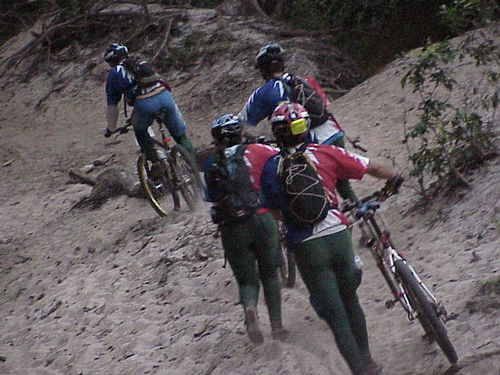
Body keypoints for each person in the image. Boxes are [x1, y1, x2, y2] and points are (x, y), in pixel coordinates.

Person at [259, 102, 403, 375]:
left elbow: (274, 211)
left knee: (337, 319)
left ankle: (361, 371)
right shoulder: (324, 152)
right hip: (338, 235)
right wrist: (395, 176)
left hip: (306, 246)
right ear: (305, 128)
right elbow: (371, 167)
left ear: (277, 133)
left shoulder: (271, 168)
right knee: (351, 301)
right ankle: (369, 361)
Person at [203, 114, 286, 344]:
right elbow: (281, 160)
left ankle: (250, 308)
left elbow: (211, 198)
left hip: (232, 227)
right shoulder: (257, 151)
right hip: (261, 218)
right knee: (270, 274)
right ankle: (277, 327)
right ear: (240, 133)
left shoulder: (211, 164)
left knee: (247, 281)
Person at [238, 43, 358, 202]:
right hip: (333, 133)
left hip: (310, 146)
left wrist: (255, 140)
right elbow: (324, 106)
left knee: (317, 191)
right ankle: (359, 210)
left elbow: (241, 124)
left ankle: (338, 222)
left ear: (263, 70)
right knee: (342, 181)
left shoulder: (262, 93)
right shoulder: (305, 81)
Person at [103, 42, 195, 177]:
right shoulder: (140, 62)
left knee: (140, 131)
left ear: (111, 61)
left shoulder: (114, 73)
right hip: (165, 97)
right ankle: (194, 169)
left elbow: (112, 107)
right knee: (181, 136)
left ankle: (157, 164)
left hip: (144, 104)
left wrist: (111, 128)